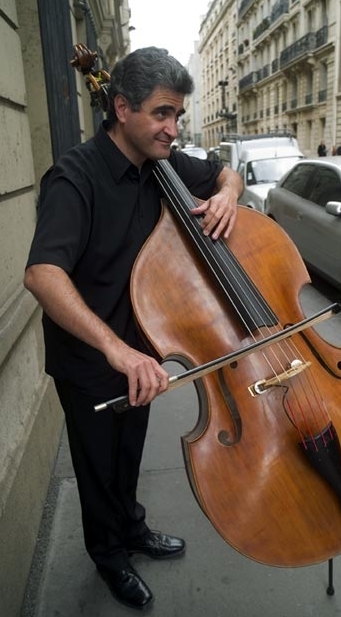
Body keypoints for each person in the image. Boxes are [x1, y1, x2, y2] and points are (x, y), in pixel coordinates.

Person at [24, 47, 242, 611]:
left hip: (144, 352)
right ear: (121, 108)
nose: (174, 129)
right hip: (93, 361)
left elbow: (225, 172)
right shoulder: (74, 177)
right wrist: (117, 351)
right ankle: (109, 555)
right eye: (162, 114)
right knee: (97, 468)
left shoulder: (163, 165)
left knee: (128, 457)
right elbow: (43, 275)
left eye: (178, 116)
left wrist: (228, 195)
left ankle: (133, 529)